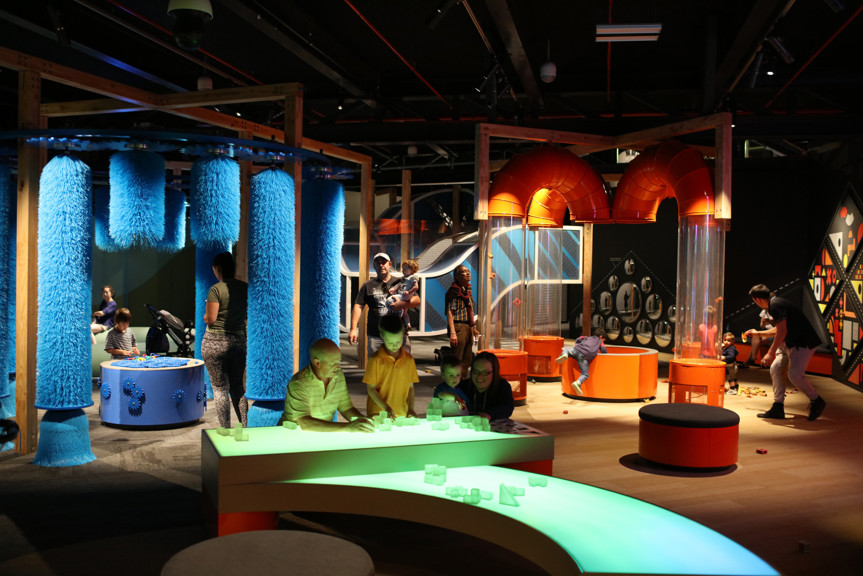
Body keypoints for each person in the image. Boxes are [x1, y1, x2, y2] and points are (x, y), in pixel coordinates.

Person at [746, 284, 827, 421]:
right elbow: (780, 329)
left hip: (803, 343)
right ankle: (778, 407)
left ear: (757, 299)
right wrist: (758, 333)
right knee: (776, 368)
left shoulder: (775, 306)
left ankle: (817, 400)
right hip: (791, 343)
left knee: (795, 375)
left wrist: (770, 353)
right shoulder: (774, 303)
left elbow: (782, 331)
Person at [279, 338, 374, 432]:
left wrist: (365, 421)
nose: (338, 367)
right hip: (292, 435)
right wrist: (347, 427)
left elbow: (346, 408)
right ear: (317, 363)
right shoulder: (299, 383)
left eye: (338, 362)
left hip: (321, 434)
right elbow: (305, 423)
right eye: (333, 363)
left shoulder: (338, 375)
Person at [201, 251, 249, 429]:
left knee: (220, 389)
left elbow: (211, 319)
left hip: (214, 343)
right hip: (238, 342)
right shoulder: (245, 287)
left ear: (217, 269)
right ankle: (245, 426)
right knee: (238, 388)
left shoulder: (215, 290)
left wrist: (206, 316)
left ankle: (226, 430)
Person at [350, 252, 420, 357]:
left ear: (390, 264)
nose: (381, 265)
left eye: (384, 262)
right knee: (377, 369)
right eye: (378, 263)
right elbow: (358, 306)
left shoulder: (400, 281)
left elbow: (417, 300)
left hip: (398, 335)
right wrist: (353, 329)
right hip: (376, 335)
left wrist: (401, 304)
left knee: (400, 369)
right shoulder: (367, 285)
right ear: (374, 266)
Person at [364, 314, 419, 419]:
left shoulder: (409, 360)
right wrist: (386, 407)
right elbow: (371, 389)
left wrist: (411, 409)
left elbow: (411, 388)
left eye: (398, 341)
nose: (394, 345)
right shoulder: (375, 360)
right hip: (378, 414)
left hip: (402, 414)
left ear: (403, 334)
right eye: (389, 342)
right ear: (382, 335)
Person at [458, 351, 514, 421]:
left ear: (494, 373)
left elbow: (507, 408)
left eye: (485, 373)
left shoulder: (502, 387)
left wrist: (489, 414)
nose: (479, 377)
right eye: (476, 372)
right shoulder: (463, 386)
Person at [445, 265, 480, 379]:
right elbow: (450, 312)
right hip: (458, 326)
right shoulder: (454, 291)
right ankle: (453, 382)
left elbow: (468, 309)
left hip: (468, 326)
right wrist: (453, 332)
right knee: (457, 357)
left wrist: (473, 327)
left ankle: (462, 381)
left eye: (468, 271)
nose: (468, 273)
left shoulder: (467, 289)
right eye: (464, 272)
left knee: (467, 358)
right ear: (457, 276)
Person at [555, 328, 608, 396]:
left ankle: (565, 354)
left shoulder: (586, 337)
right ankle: (578, 383)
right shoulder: (600, 341)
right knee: (585, 374)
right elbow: (603, 350)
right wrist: (605, 355)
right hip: (585, 356)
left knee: (567, 349)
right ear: (601, 337)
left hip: (577, 350)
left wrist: (578, 345)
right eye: (604, 340)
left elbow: (579, 339)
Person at [387, 259, 420, 331]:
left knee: (390, 299)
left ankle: (391, 312)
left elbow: (416, 287)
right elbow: (399, 285)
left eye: (404, 269)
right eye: (403, 269)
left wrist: (409, 292)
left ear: (411, 270)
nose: (402, 271)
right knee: (405, 313)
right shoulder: (404, 278)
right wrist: (393, 289)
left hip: (405, 295)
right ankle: (408, 324)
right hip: (403, 295)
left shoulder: (412, 278)